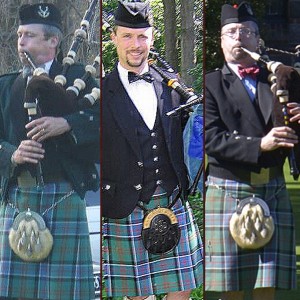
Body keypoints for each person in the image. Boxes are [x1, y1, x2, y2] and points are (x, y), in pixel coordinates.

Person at [102, 1, 203, 299]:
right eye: (128, 36)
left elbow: (191, 141)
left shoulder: (173, 87)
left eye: (142, 36)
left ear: (153, 37)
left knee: (182, 291)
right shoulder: (101, 93)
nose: (136, 45)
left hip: (171, 200)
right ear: (114, 38)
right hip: (124, 206)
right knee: (137, 296)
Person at [0, 3, 99, 300]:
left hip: (64, 197)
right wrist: (12, 155)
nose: (21, 42)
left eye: (29, 35)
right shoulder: (5, 88)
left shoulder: (83, 80)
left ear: (52, 41)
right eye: (19, 35)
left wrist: (67, 123)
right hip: (18, 200)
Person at [205, 2, 300, 300]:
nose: (239, 38)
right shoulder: (210, 83)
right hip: (229, 189)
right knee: (230, 287)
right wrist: (260, 144)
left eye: (246, 31)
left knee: (265, 287)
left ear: (257, 39)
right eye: (231, 32)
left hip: (272, 187)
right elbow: (210, 138)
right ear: (221, 41)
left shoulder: (276, 80)